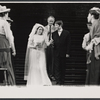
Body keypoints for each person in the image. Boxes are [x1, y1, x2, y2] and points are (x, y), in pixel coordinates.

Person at [84, 7, 100, 85]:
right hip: (94, 48)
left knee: (95, 71)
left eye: (88, 15)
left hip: (97, 49)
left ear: (92, 15)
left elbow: (97, 37)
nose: (87, 17)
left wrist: (92, 43)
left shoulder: (96, 23)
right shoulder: (95, 23)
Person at [0, 5, 16, 85]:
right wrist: (13, 49)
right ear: (5, 14)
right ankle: (10, 84)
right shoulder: (4, 23)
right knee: (7, 65)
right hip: (3, 44)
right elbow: (9, 36)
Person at [52, 20, 71, 85]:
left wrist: (67, 53)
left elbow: (68, 43)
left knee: (62, 67)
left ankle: (62, 81)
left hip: (63, 52)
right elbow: (53, 43)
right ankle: (58, 81)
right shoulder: (53, 33)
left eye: (56, 25)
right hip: (56, 52)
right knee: (56, 67)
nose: (55, 26)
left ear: (60, 25)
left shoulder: (66, 33)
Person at [45, 16, 56, 80]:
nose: (51, 22)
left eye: (52, 21)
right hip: (46, 46)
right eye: (50, 21)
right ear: (47, 21)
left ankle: (51, 74)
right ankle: (46, 74)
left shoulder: (55, 28)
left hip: (53, 46)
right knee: (46, 60)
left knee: (52, 61)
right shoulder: (44, 28)